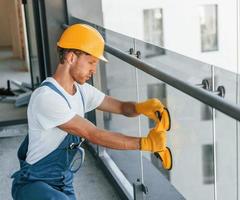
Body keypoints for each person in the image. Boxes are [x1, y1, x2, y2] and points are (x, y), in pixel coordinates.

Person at [11, 23, 167, 200]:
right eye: (91, 62)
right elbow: (94, 134)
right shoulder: (47, 98)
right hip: (35, 183)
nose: (94, 69)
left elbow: (122, 107)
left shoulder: (82, 91)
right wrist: (144, 143)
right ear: (71, 57)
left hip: (63, 180)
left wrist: (143, 108)